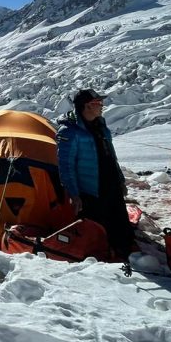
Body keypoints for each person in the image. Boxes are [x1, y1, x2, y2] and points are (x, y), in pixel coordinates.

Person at [56, 88, 135, 259]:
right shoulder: (69, 131)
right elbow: (66, 166)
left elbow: (111, 155)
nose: (101, 106)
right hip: (91, 189)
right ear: (86, 106)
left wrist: (120, 179)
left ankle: (126, 251)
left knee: (119, 219)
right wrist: (74, 194)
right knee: (99, 225)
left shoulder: (100, 125)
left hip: (110, 182)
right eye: (97, 103)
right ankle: (104, 258)